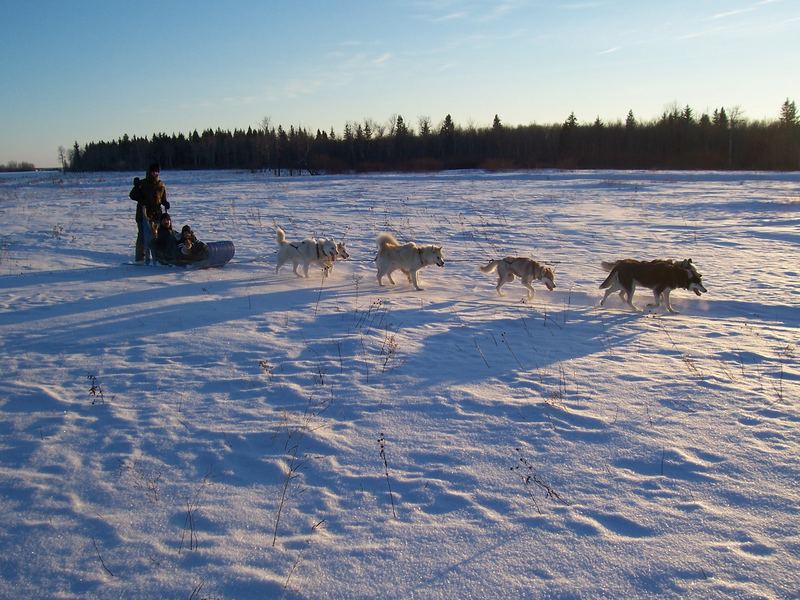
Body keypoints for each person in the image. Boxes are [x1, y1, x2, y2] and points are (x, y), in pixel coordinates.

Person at [129, 162, 169, 263]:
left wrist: (165, 203)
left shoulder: (161, 184)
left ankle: (158, 257)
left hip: (157, 214)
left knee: (157, 236)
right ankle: (140, 258)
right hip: (143, 214)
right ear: (149, 172)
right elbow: (133, 195)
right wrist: (136, 187)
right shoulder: (143, 183)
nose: (155, 174)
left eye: (157, 172)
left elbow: (163, 198)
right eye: (153, 172)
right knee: (143, 236)